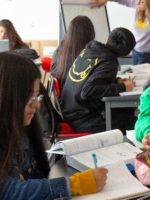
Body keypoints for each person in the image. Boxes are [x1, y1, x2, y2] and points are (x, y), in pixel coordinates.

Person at [0, 52, 108, 199]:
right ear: (6, 97)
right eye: (30, 97)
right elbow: (8, 191)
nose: (37, 105)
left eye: (37, 96)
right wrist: (74, 184)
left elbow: (36, 176)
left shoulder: (21, 129)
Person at [61, 27, 136, 133]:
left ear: (107, 39)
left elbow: (90, 77)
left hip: (70, 111)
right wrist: (123, 87)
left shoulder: (91, 49)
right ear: (126, 53)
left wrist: (115, 81)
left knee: (126, 110)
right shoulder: (109, 62)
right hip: (83, 119)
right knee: (133, 122)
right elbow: (87, 91)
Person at [91, 0, 150, 65]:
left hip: (148, 54)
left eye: (142, 2)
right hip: (136, 50)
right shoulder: (138, 3)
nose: (137, 3)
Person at [52, 15, 95, 88]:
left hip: (64, 95)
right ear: (90, 34)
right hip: (80, 97)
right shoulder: (89, 54)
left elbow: (53, 73)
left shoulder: (60, 49)